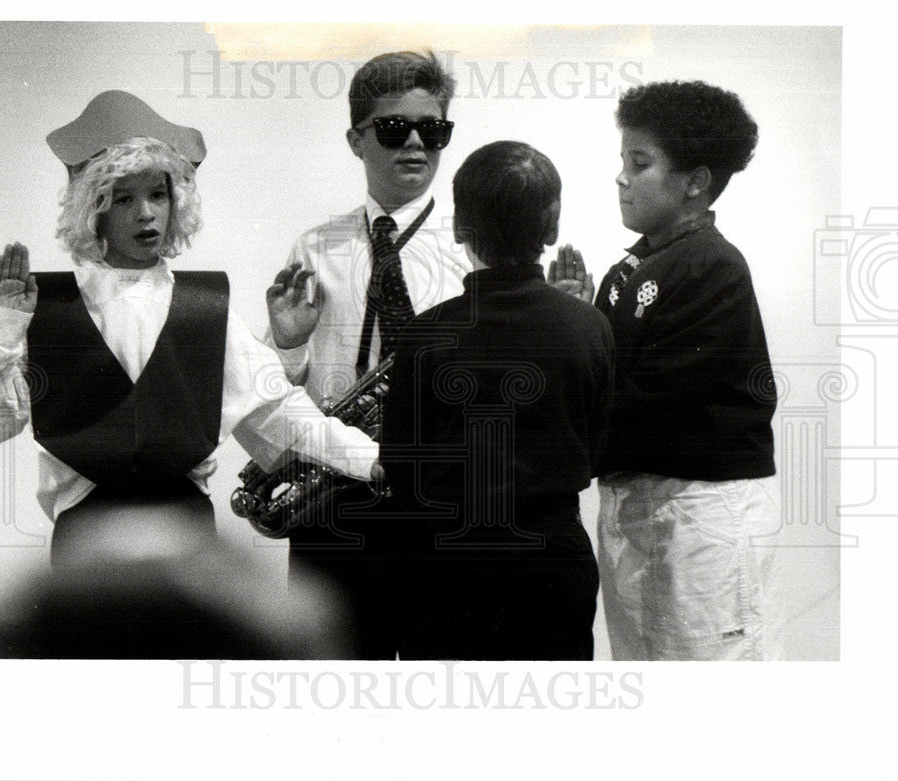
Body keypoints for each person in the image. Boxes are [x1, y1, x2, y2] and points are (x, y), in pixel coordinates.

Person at [0, 90, 380, 579]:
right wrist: (3, 332)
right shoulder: (51, 311)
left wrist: (372, 460)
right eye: (124, 198)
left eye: (157, 194)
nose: (145, 214)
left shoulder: (204, 309)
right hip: (86, 550)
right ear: (94, 209)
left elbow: (283, 412)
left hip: (187, 544)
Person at [550, 80, 784, 660]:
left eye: (640, 162)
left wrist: (548, 448)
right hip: (638, 512)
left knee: (717, 697)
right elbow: (613, 380)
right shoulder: (629, 268)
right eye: (623, 161)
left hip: (702, 516)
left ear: (695, 182)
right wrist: (577, 320)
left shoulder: (714, 268)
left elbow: (647, 407)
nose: (621, 177)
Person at [265, 52, 472, 658]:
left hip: (437, 496)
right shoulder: (315, 245)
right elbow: (284, 392)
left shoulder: (469, 246)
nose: (415, 143)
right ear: (356, 140)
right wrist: (288, 343)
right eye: (392, 128)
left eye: (433, 130)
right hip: (333, 493)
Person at [380, 141, 614, 660]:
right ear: (552, 227)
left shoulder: (424, 336)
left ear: (461, 226)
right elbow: (598, 452)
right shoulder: (592, 326)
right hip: (553, 561)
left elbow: (399, 467)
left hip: (446, 565)